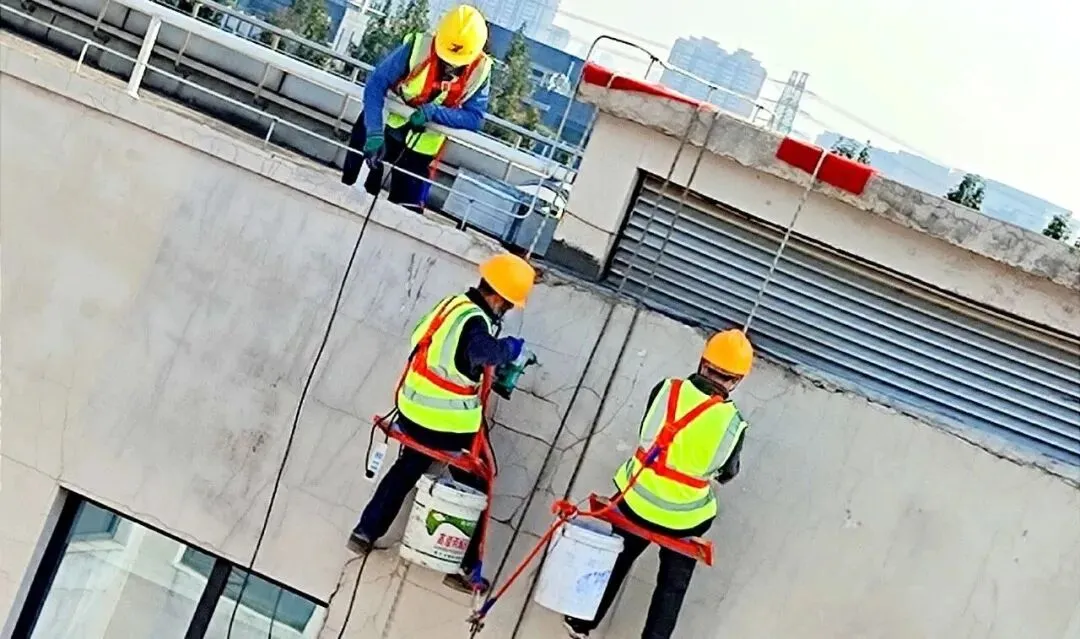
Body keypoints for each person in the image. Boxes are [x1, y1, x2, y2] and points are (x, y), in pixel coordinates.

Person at [349, 253, 535, 594]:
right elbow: (485, 353)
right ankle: (467, 568)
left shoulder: (452, 306)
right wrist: (510, 348)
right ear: (498, 297)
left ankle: (365, 531)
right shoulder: (475, 323)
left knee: (409, 466)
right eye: (508, 304)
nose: (506, 310)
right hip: (443, 423)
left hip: (411, 409)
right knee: (479, 482)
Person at [563, 329, 754, 639]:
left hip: (636, 499)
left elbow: (647, 433)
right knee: (673, 583)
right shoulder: (733, 422)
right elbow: (726, 473)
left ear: (703, 362)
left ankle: (581, 621)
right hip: (684, 518)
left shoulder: (666, 389)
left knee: (619, 554)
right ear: (737, 380)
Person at [341, 5, 493, 212]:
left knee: (407, 212)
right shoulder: (418, 47)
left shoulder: (480, 70)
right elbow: (377, 83)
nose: (450, 64)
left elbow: (475, 118)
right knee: (353, 189)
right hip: (383, 125)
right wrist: (374, 132)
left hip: (421, 147)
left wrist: (435, 113)